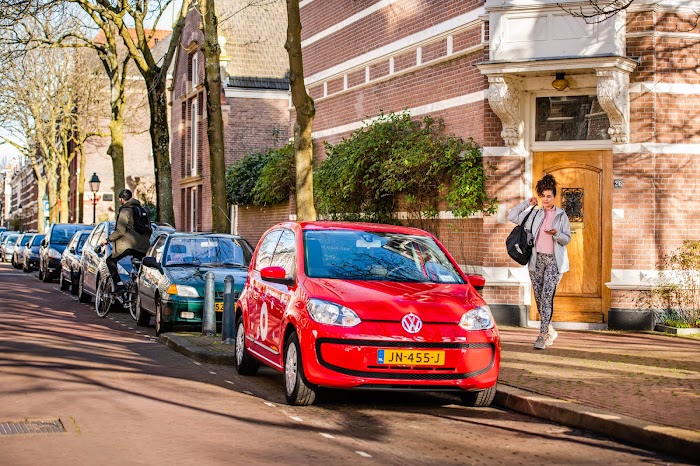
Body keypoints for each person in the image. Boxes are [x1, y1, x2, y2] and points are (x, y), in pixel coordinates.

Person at [508, 174, 571, 350]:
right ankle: (550, 329)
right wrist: (527, 204)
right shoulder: (534, 214)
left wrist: (556, 234)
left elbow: (567, 239)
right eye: (543, 196)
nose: (545, 199)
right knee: (539, 299)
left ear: (554, 196)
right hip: (536, 261)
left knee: (546, 296)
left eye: (549, 196)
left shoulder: (561, 215)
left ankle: (542, 336)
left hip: (554, 262)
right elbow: (512, 216)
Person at [102, 189, 150, 293]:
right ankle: (138, 288)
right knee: (139, 265)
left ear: (122, 199)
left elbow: (120, 231)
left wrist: (108, 240)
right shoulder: (143, 210)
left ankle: (119, 286)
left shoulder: (125, 210)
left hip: (129, 246)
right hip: (143, 245)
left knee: (110, 261)